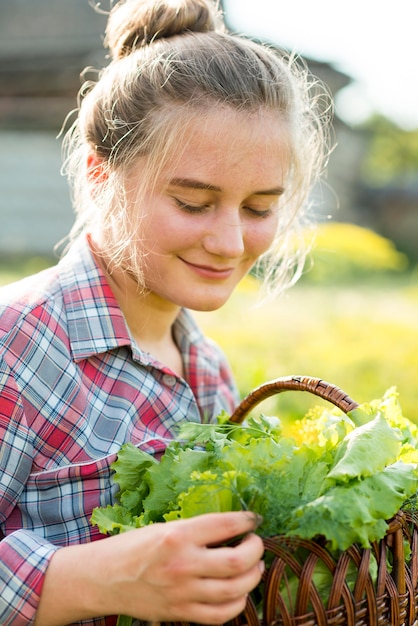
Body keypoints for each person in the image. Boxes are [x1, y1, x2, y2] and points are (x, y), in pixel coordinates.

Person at [0, 0, 331, 624]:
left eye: (259, 208)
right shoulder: (19, 348)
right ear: (100, 175)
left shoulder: (209, 374)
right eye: (193, 201)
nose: (231, 243)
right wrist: (88, 581)